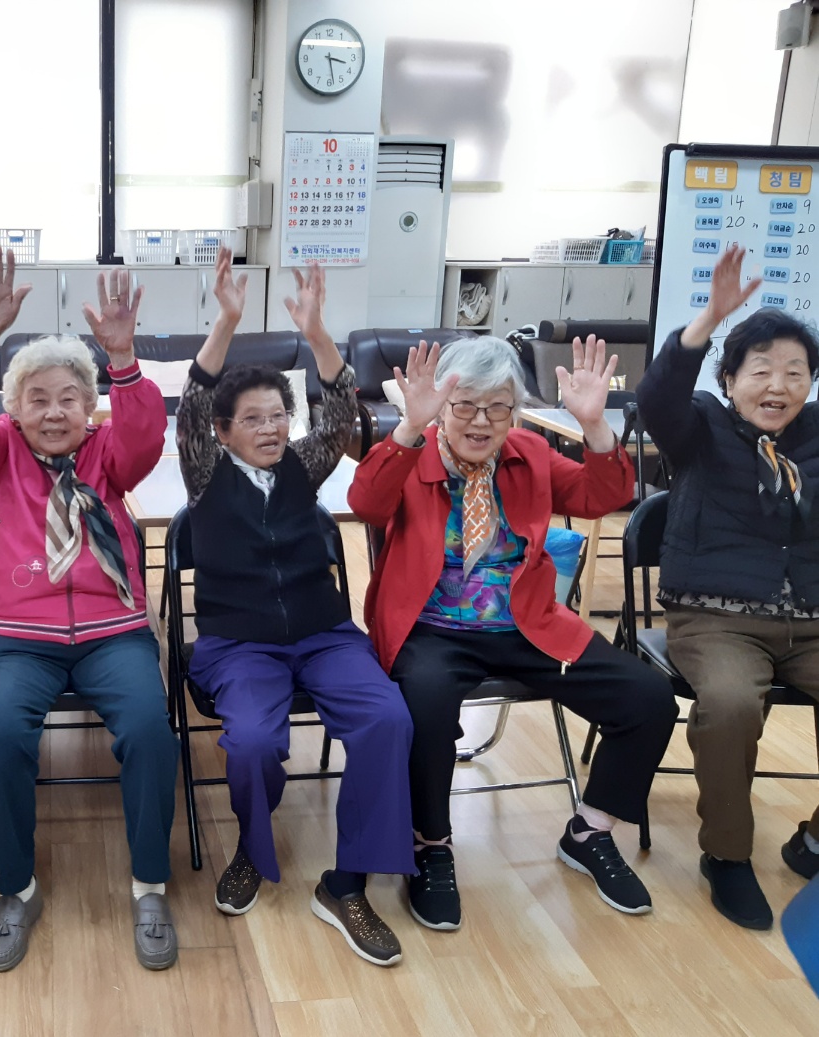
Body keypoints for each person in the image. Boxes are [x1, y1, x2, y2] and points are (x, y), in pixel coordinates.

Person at [349, 334, 678, 930]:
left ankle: (589, 830)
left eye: (498, 406)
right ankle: (431, 844)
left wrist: (595, 426)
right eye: (465, 405)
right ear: (442, 404)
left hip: (527, 625)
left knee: (649, 698)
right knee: (424, 708)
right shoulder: (413, 453)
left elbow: (604, 495)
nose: (481, 421)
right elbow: (366, 504)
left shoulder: (529, 453)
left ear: (516, 411)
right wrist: (409, 428)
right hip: (431, 629)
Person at [0, 246, 179, 973]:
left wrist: (123, 359)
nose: (52, 411)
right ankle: (16, 888)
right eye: (36, 398)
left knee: (150, 729)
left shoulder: (109, 454)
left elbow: (145, 436)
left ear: (89, 406)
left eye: (68, 397)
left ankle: (149, 884)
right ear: (12, 409)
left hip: (113, 632)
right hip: (17, 636)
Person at [176, 251, 415, 967]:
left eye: (279, 416)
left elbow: (342, 415)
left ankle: (347, 884)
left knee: (387, 719)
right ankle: (253, 848)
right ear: (223, 431)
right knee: (252, 743)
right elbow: (191, 403)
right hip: (239, 644)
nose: (272, 428)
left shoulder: (301, 467)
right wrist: (227, 321)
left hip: (324, 635)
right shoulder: (205, 472)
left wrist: (316, 334)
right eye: (253, 419)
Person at [636, 244, 819, 930]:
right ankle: (728, 855)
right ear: (731, 377)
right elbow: (656, 397)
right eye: (761, 370)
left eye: (795, 373)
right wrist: (710, 318)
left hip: (812, 618)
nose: (778, 386)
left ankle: (814, 841)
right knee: (732, 702)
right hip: (717, 619)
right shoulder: (701, 426)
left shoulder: (817, 434)